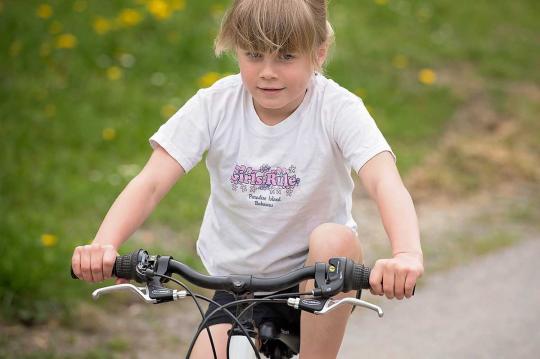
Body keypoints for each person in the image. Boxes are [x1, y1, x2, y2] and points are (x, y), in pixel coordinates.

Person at [71, 0, 424, 357]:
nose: (267, 72)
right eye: (254, 55)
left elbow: (384, 182)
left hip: (317, 280)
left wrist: (406, 254)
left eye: (286, 57)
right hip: (237, 285)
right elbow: (151, 182)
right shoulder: (215, 105)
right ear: (236, 50)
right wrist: (104, 244)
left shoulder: (338, 109)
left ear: (318, 53)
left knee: (333, 238)